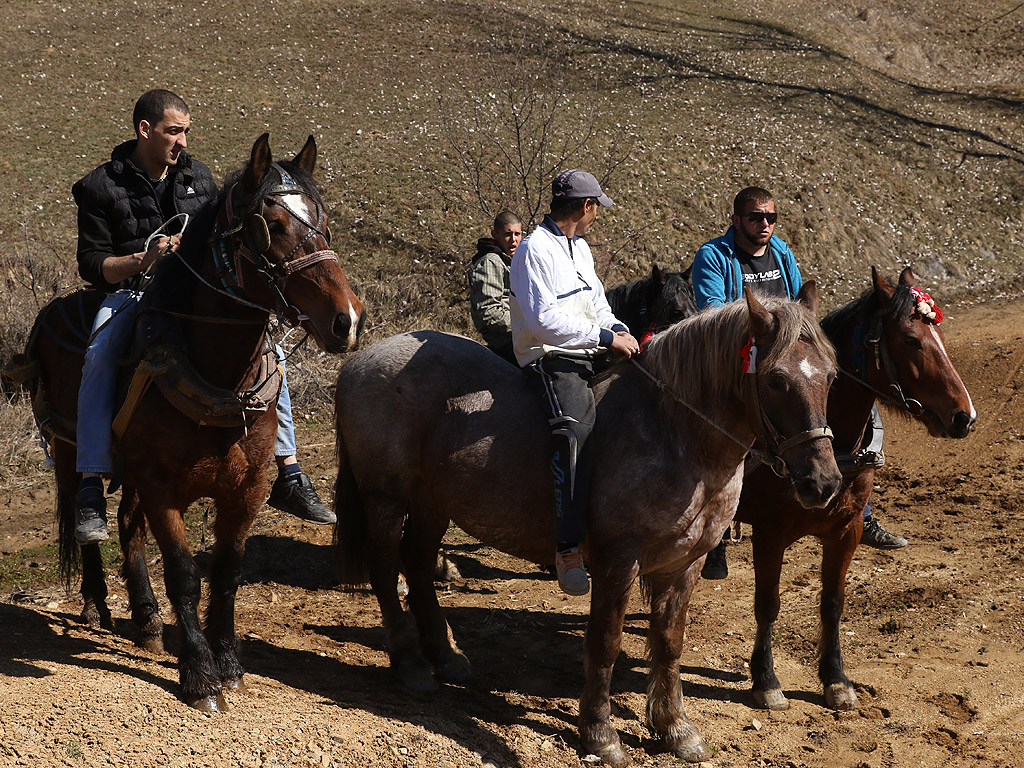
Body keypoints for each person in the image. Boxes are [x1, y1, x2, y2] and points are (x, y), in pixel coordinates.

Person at [72, 88, 334, 546]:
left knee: (269, 354)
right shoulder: (101, 186)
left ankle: (289, 473)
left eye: (187, 132)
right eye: (174, 132)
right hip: (130, 293)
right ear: (145, 130)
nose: (183, 142)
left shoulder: (197, 176)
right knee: (98, 351)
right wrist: (144, 259)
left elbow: (222, 237)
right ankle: (92, 483)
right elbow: (93, 265)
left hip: (193, 295)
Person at [691, 186, 907, 580]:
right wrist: (768, 329)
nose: (765, 225)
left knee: (843, 392)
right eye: (757, 217)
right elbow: (713, 312)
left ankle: (862, 509)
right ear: (736, 219)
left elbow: (799, 302)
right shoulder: (713, 256)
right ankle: (717, 531)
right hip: (739, 352)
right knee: (720, 425)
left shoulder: (783, 252)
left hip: (787, 348)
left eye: (771, 218)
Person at [510, 169, 640, 596]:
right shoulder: (532, 250)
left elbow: (598, 303)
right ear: (586, 207)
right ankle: (567, 545)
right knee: (576, 429)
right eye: (596, 208)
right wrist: (605, 338)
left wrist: (619, 329)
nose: (597, 215)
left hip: (592, 349)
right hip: (552, 359)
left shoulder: (579, 248)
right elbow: (544, 322)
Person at [467, 211, 523, 364]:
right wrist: (528, 325)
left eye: (517, 234)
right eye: (507, 234)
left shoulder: (512, 261)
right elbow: (489, 312)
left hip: (520, 335)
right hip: (507, 341)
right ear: (494, 234)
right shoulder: (491, 262)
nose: (514, 240)